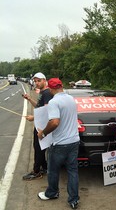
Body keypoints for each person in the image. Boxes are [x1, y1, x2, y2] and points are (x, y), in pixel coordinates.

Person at [36, 78, 80, 209]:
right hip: (74, 140)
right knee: (73, 171)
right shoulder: (71, 99)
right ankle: (73, 199)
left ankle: (52, 193)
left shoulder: (53, 102)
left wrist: (42, 133)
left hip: (60, 143)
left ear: (51, 88)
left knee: (53, 170)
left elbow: (54, 122)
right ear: (62, 86)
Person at [22, 72, 53, 180]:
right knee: (39, 147)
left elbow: (47, 112)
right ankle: (44, 167)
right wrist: (29, 99)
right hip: (39, 124)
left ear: (44, 80)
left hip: (42, 126)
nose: (36, 83)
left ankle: (36, 171)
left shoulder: (47, 93)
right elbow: (39, 107)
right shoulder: (42, 92)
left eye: (39, 81)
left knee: (38, 148)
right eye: (35, 81)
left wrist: (33, 118)